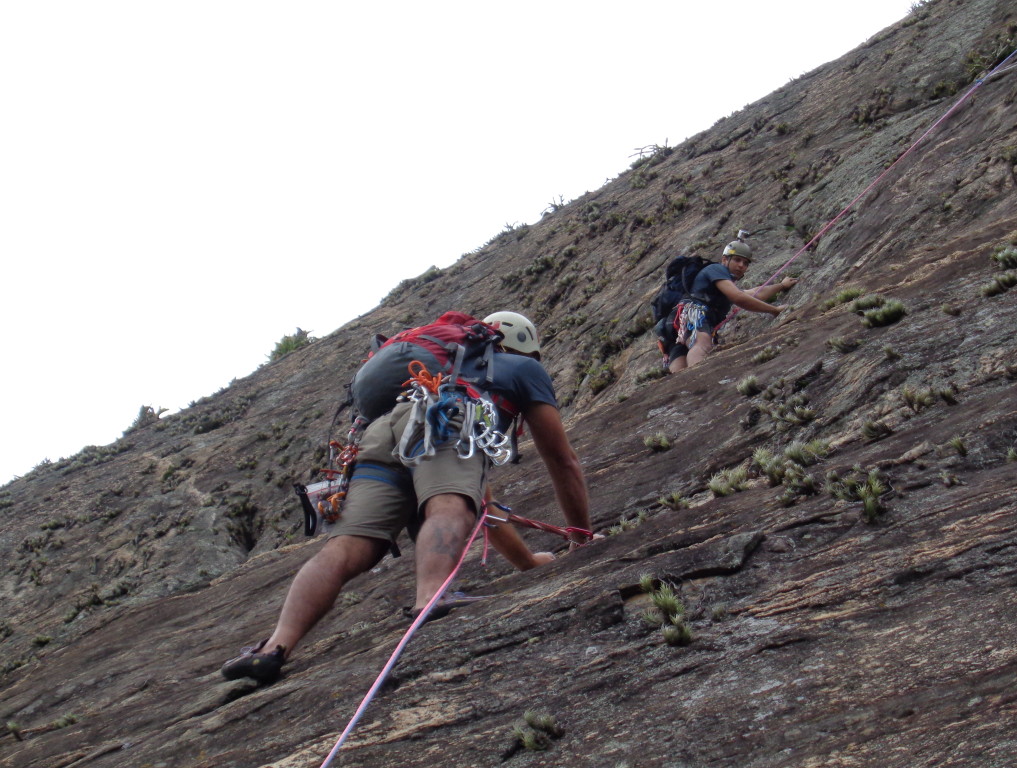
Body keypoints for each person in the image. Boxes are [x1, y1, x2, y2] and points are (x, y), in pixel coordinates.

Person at [221, 311, 591, 684]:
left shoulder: (444, 362)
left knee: (347, 546)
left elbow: (483, 506)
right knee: (448, 506)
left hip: (384, 429)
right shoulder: (522, 369)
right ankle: (431, 598)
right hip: (446, 415)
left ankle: (273, 647)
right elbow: (561, 460)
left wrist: (528, 562)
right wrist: (581, 538)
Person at [668, 240, 797, 373]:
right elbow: (739, 297)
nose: (741, 265)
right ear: (724, 259)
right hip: (694, 314)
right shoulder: (716, 269)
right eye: (737, 260)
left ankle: (686, 391)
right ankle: (699, 379)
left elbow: (754, 294)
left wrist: (781, 286)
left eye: (745, 263)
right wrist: (774, 310)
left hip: (675, 322)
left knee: (679, 370)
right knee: (703, 345)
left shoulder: (721, 283)